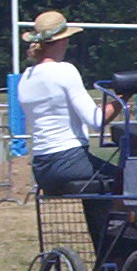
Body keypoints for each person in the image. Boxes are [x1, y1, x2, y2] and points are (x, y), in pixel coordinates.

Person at [16, 11, 120, 205]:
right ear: (63, 41)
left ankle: (104, 234)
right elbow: (97, 121)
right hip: (69, 160)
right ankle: (119, 234)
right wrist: (121, 98)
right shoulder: (65, 70)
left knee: (97, 189)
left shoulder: (26, 77)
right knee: (126, 182)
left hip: (41, 167)